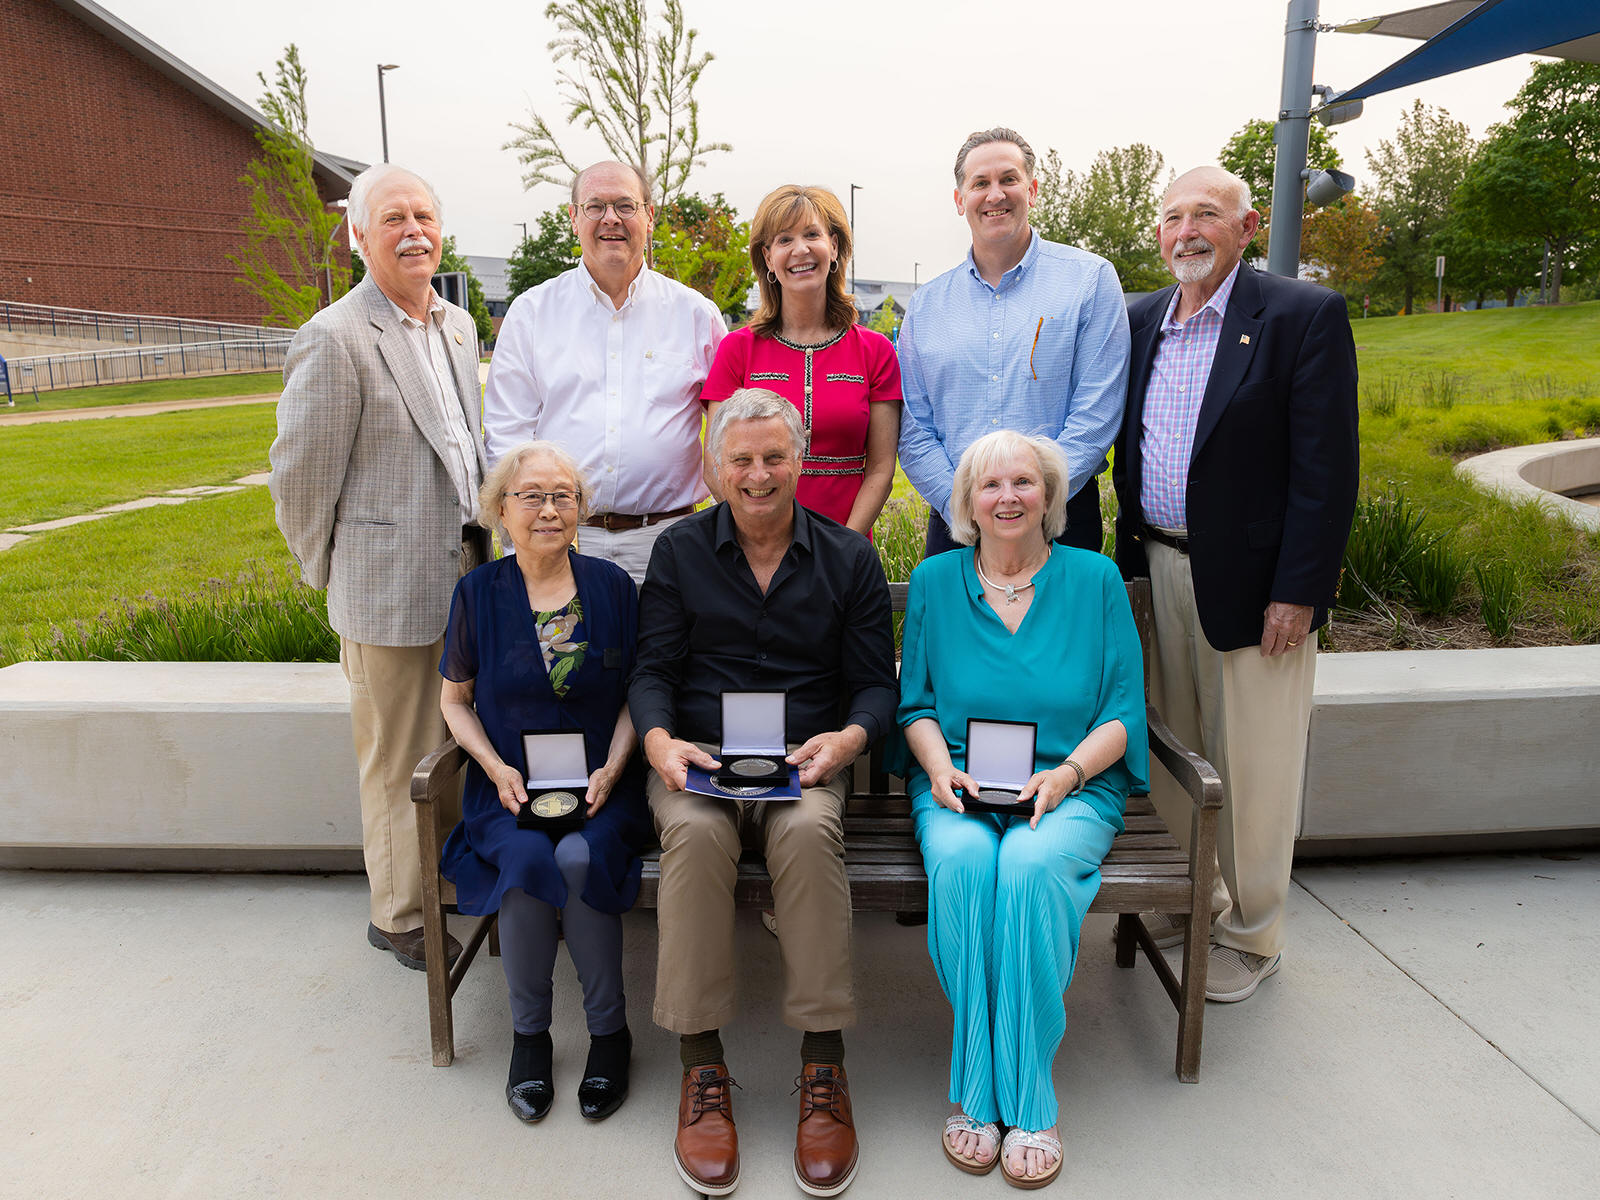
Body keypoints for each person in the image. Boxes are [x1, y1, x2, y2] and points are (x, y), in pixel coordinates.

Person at [630, 388, 897, 1198]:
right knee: (696, 835)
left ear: (800, 461)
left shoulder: (848, 558)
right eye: (740, 459)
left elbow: (874, 688)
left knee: (810, 835)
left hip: (802, 764)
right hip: (701, 761)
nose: (757, 474)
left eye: (773, 457)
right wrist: (658, 742)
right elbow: (652, 670)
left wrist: (847, 742)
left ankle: (823, 1067)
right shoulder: (680, 552)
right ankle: (701, 1067)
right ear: (716, 466)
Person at [1112, 166, 1358, 1003]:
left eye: (1207, 215)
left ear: (1247, 227)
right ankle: (1195, 898)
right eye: (1173, 216)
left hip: (1258, 588)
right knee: (1173, 750)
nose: (1187, 231)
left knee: (1254, 764)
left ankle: (1253, 935)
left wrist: (1300, 589)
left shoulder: (1299, 316)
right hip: (1156, 568)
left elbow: (1327, 470)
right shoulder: (1141, 318)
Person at [897, 430, 1147, 1189]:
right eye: (990, 485)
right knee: (968, 862)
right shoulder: (937, 581)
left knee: (1031, 867)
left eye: (1024, 482)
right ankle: (977, 1089)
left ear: (1050, 496)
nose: (1007, 497)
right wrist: (939, 770)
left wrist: (1066, 776)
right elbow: (916, 706)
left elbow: (1123, 713)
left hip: (1071, 785)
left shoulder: (1096, 579)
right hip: (960, 785)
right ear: (968, 503)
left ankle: (1030, 1098)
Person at [269, 163, 487, 971]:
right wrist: (333, 571)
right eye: (393, 218)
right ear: (359, 236)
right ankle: (398, 913)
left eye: (424, 215)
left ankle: (445, 882)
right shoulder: (335, 337)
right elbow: (299, 478)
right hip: (385, 587)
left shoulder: (456, 326)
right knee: (398, 758)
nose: (413, 231)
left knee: (454, 743)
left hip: (465, 573)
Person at [436, 440, 647, 1123]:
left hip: (603, 785)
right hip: (510, 790)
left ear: (580, 508)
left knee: (581, 857)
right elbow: (454, 701)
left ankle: (609, 1035)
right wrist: (492, 766)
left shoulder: (613, 588)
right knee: (527, 858)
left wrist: (615, 765)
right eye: (531, 496)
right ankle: (530, 1039)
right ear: (502, 510)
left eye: (563, 496)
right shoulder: (477, 594)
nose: (549, 510)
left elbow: (637, 695)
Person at [483, 160, 728, 584]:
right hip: (563, 541)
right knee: (567, 634)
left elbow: (728, 434)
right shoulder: (532, 313)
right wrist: (520, 544)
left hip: (670, 542)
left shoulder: (695, 315)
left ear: (649, 217)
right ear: (573, 218)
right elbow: (507, 438)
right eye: (595, 206)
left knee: (667, 634)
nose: (610, 218)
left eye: (625, 206)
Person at [896, 126, 1130, 557]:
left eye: (1008, 179)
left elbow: (1097, 413)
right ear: (959, 199)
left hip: (1061, 520)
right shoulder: (926, 306)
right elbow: (914, 428)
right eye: (980, 183)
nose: (995, 194)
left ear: (1032, 190)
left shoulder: (1089, 280)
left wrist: (1036, 500)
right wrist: (962, 506)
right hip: (955, 524)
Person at [701, 185, 901, 537]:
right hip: (755, 549)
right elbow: (715, 464)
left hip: (846, 548)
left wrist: (844, 548)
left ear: (834, 246)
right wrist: (759, 539)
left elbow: (881, 468)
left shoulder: (876, 351)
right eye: (784, 239)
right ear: (767, 257)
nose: (800, 249)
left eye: (812, 234)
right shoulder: (737, 349)